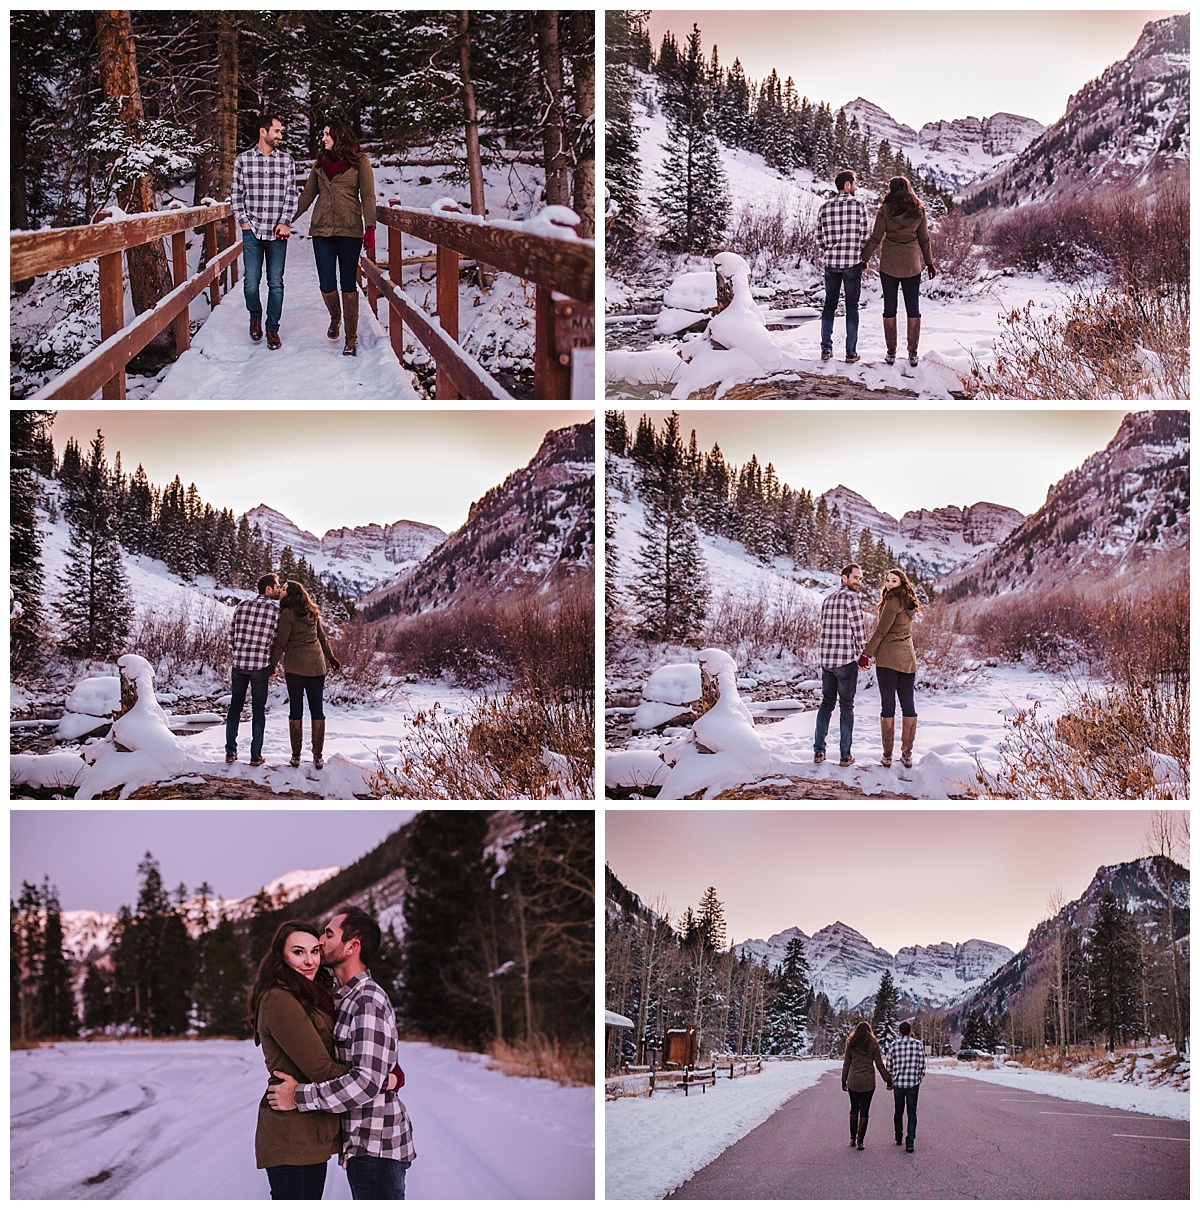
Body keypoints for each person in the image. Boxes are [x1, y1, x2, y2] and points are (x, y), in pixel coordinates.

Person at [268, 907, 416, 1200]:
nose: (320, 942)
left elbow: (365, 1082)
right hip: (361, 1142)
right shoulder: (340, 996)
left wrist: (298, 1096)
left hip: (376, 1145)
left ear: (352, 946)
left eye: (329, 934)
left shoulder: (367, 1000)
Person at [248, 921, 347, 1199]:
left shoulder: (308, 994)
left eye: (314, 951)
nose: (309, 961)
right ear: (281, 955)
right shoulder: (279, 999)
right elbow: (322, 1069)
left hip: (309, 1131)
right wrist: (372, 1075)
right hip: (292, 1135)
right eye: (298, 952)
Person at [290, 119, 378, 357]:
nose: (323, 138)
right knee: (326, 282)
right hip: (322, 230)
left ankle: (351, 339)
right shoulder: (320, 163)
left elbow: (368, 196)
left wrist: (370, 227)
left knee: (348, 283)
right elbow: (307, 195)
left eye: (327, 134)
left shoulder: (360, 161)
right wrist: (286, 220)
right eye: (323, 133)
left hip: (350, 229)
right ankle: (335, 317)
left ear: (339, 136)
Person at [232, 115, 299, 350]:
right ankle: (255, 316)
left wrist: (285, 222)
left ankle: (272, 329)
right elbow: (236, 195)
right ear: (263, 131)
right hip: (252, 230)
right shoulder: (243, 161)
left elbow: (292, 195)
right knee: (251, 282)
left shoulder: (287, 161)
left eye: (282, 132)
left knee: (276, 283)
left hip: (277, 231)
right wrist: (244, 222)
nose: (281, 136)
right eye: (277, 131)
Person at [860, 176, 937, 367]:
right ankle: (913, 354)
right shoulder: (919, 210)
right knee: (913, 307)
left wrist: (864, 257)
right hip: (912, 264)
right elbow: (924, 240)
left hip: (889, 264)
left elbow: (876, 238)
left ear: (891, 189)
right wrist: (929, 263)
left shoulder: (885, 209)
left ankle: (891, 353)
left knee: (889, 306)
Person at [269, 581, 341, 770]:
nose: (281, 591)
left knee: (296, 709)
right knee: (317, 709)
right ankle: (318, 756)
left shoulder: (287, 614)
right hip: (317, 666)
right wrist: (331, 658)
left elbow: (281, 642)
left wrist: (272, 665)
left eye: (283, 589)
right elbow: (322, 637)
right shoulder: (312, 612)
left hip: (295, 667)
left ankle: (296, 756)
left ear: (290, 594)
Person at [860, 568, 921, 768]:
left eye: (893, 580)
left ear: (901, 583)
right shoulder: (909, 602)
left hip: (888, 659)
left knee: (888, 705)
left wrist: (866, 654)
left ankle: (887, 755)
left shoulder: (892, 602)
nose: (889, 584)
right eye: (887, 580)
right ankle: (907, 755)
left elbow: (881, 631)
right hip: (908, 659)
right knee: (908, 705)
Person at [225, 573, 284, 766]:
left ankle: (230, 752)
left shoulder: (242, 606)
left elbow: (231, 635)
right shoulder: (276, 611)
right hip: (260, 665)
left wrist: (239, 652)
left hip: (239, 663)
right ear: (268, 588)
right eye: (276, 587)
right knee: (258, 709)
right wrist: (273, 665)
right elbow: (276, 641)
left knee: (235, 707)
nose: (278, 590)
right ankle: (255, 755)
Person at [813, 562, 867, 767]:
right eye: (856, 577)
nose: (859, 582)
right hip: (845, 662)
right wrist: (865, 655)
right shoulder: (852, 598)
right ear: (844, 578)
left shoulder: (827, 600)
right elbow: (859, 631)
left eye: (861, 578)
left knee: (826, 704)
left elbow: (824, 631)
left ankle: (819, 751)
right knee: (846, 706)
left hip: (827, 662)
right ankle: (845, 755)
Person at [816, 169, 870, 364]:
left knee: (829, 304)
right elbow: (865, 236)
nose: (855, 186)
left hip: (831, 263)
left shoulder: (824, 207)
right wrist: (862, 257)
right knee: (851, 306)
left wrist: (829, 251)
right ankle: (850, 352)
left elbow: (819, 238)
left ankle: (826, 349)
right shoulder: (859, 206)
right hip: (852, 263)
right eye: (854, 183)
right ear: (847, 184)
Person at [842, 1020, 892, 1150]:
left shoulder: (851, 1044)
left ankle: (852, 1138)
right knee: (864, 1111)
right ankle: (860, 1141)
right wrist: (888, 1079)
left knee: (854, 1109)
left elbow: (846, 1063)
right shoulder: (873, 1044)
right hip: (868, 1082)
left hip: (853, 1080)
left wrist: (843, 1080)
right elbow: (879, 1065)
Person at [888, 1020, 927, 1153]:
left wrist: (892, 1077)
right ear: (911, 1031)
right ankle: (910, 1140)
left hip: (898, 1083)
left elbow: (888, 1066)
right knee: (912, 1112)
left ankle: (898, 1136)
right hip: (912, 1083)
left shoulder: (893, 1045)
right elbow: (922, 1066)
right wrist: (918, 1079)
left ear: (899, 1031)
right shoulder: (918, 1045)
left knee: (898, 1111)